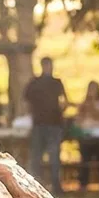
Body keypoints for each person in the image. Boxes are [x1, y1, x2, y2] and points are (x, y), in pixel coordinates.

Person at [24, 57, 68, 189]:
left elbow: (65, 100)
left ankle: (55, 185)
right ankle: (36, 184)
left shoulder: (55, 83)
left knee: (53, 156)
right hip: (40, 123)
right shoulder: (35, 83)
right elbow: (27, 102)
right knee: (38, 156)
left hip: (53, 123)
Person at [75, 81, 99, 191]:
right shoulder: (83, 104)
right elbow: (79, 117)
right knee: (85, 159)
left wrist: (91, 104)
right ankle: (83, 184)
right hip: (87, 134)